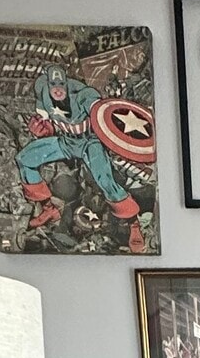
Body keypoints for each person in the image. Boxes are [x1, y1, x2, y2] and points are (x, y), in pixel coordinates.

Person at [15, 63, 147, 249]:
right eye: (54, 85)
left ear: (67, 83)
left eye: (61, 85)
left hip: (89, 143)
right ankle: (49, 209)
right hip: (65, 142)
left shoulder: (83, 94)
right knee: (25, 159)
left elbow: (103, 112)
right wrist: (44, 130)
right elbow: (51, 124)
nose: (58, 90)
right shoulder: (43, 91)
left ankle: (133, 223)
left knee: (105, 180)